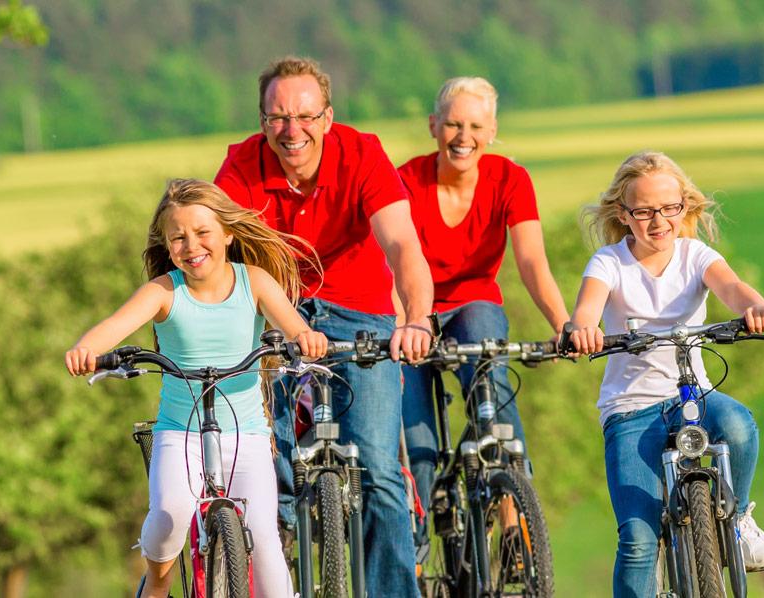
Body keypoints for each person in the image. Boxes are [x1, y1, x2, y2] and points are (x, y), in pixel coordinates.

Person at [212, 55, 434, 595]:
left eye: (306, 116)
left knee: (379, 469)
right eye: (279, 118)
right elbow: (213, 252)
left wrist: (418, 318)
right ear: (263, 120)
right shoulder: (241, 167)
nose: (293, 130)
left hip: (359, 307)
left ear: (328, 117)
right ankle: (274, 560)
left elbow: (402, 243)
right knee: (268, 464)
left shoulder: (362, 155)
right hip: (277, 308)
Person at [64, 178, 329, 598]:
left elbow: (291, 323)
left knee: (265, 543)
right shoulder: (164, 291)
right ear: (167, 247)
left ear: (227, 233)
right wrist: (86, 349)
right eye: (178, 238)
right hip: (181, 432)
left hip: (246, 433)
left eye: (203, 233)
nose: (192, 245)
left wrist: (304, 338)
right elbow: (115, 326)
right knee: (169, 514)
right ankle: (156, 583)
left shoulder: (254, 281)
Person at [564, 151, 764, 597]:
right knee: (640, 540)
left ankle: (736, 519)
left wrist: (755, 307)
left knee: (738, 425)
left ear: (684, 207)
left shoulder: (694, 255)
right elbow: (587, 308)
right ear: (624, 215)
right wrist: (582, 329)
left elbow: (732, 287)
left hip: (693, 394)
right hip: (631, 411)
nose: (658, 220)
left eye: (670, 208)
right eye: (643, 211)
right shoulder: (609, 263)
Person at [395, 77, 572, 548]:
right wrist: (407, 323)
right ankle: (414, 552)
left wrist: (563, 324)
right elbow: (390, 261)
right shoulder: (405, 181)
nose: (462, 136)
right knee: (416, 442)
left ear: (492, 130)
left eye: (474, 125)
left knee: (491, 376)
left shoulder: (510, 179)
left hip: (473, 304)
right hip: (413, 309)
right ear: (433, 125)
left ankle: (514, 519)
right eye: (452, 123)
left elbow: (532, 262)